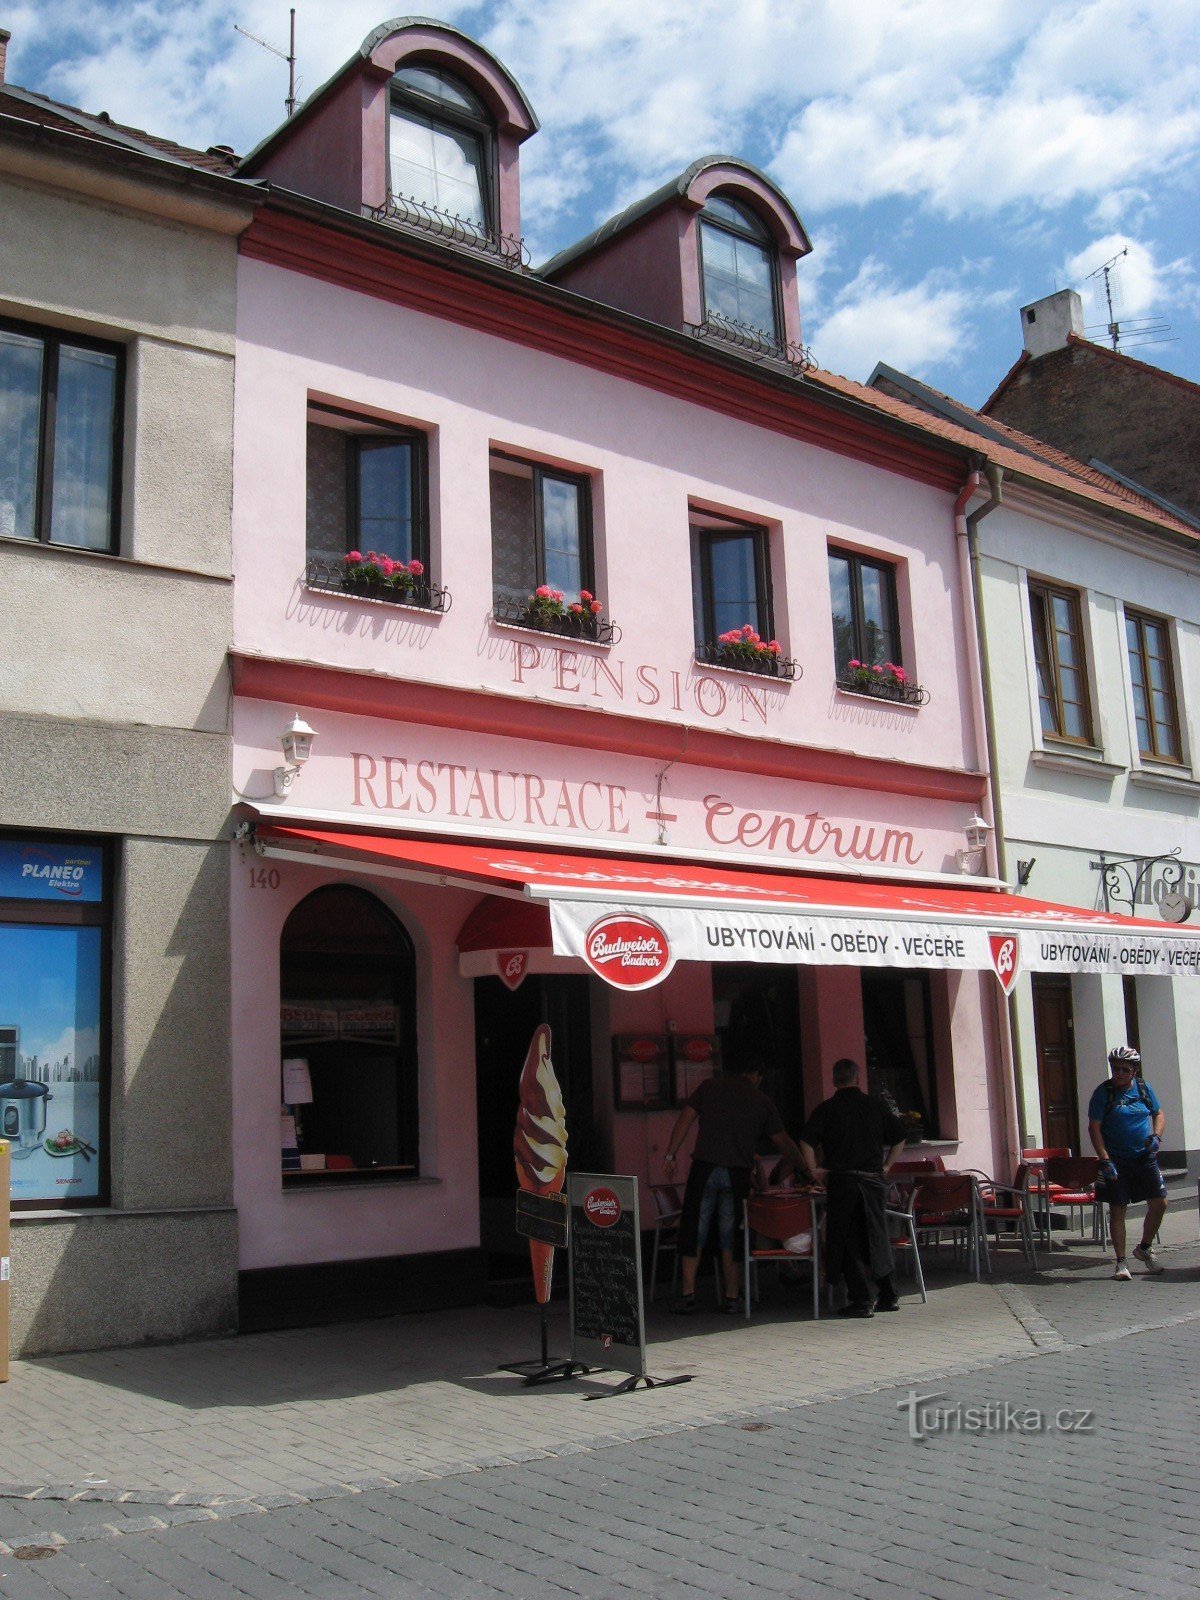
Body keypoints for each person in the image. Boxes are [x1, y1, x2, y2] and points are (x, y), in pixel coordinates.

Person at [663, 1056, 805, 1314]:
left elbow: (685, 1118)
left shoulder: (708, 1087)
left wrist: (671, 1154)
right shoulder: (761, 1100)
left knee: (695, 1228)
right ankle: (732, 1297)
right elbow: (782, 1140)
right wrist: (804, 1166)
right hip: (737, 1171)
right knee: (732, 1233)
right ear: (757, 1075)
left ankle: (687, 1294)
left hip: (704, 1166)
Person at [798, 1057, 907, 1318]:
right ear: (858, 1078)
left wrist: (814, 1171)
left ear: (835, 1080)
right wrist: (887, 1166)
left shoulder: (826, 1109)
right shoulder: (875, 1106)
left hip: (843, 1181)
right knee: (877, 1236)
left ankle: (860, 1300)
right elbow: (900, 1137)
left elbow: (806, 1142)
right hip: (872, 1181)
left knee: (847, 1239)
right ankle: (889, 1295)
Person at [1087, 1045, 1167, 1280]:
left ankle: (1144, 1248)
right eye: (1116, 1068)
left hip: (1144, 1157)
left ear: (1134, 1071)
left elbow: (1159, 1113)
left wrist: (1156, 1136)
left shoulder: (1143, 1088)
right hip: (1117, 1159)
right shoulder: (1104, 1092)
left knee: (1160, 1203)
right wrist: (1104, 1159)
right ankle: (1121, 1262)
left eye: (1124, 1069)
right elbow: (1094, 1127)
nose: (1119, 1073)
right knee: (1118, 1208)